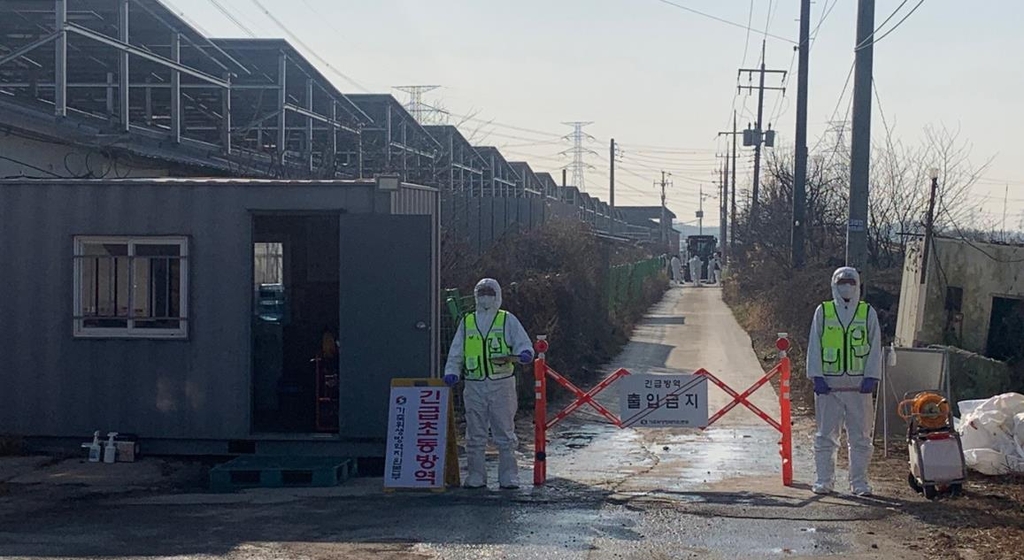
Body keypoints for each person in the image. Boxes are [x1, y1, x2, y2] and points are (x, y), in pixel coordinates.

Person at [443, 278, 533, 490]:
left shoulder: (507, 320)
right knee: (475, 433)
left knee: (505, 432)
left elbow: (522, 342)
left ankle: (509, 476)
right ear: (475, 295)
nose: (486, 296)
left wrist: (525, 353)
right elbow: (456, 352)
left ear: (497, 295)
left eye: (489, 292)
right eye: (482, 292)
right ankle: (475, 476)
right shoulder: (467, 322)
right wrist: (451, 372)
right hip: (474, 384)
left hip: (502, 384)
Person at [806, 267, 882, 496]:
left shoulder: (867, 312)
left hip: (859, 388)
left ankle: (859, 483)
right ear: (834, 284)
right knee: (825, 436)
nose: (846, 286)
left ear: (858, 285)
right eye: (842, 282)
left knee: (861, 438)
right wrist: (816, 376)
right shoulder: (824, 311)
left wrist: (871, 376)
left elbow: (875, 346)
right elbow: (814, 344)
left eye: (850, 282)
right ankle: (824, 481)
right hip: (829, 386)